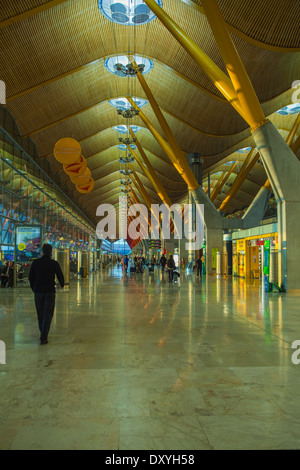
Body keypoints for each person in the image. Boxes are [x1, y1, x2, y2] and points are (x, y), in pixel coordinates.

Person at [29, 244, 64, 345]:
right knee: (48, 314)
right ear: (51, 252)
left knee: (40, 314)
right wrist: (62, 284)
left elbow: (31, 277)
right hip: (49, 292)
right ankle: (43, 336)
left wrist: (34, 289)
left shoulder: (35, 263)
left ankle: (43, 334)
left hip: (38, 292)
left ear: (42, 252)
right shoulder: (53, 263)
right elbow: (60, 275)